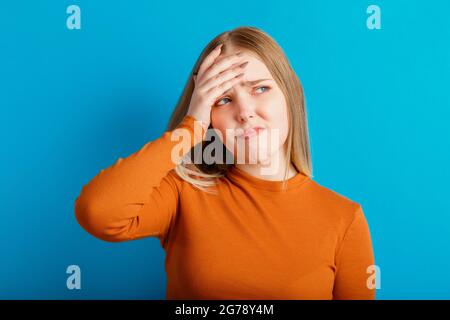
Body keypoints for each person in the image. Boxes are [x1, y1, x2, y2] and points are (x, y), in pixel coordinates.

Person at [74, 26, 376, 300]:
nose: (245, 112)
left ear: (290, 95)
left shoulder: (344, 219)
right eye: (222, 99)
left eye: (260, 89)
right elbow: (97, 212)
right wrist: (188, 128)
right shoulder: (182, 194)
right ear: (209, 118)